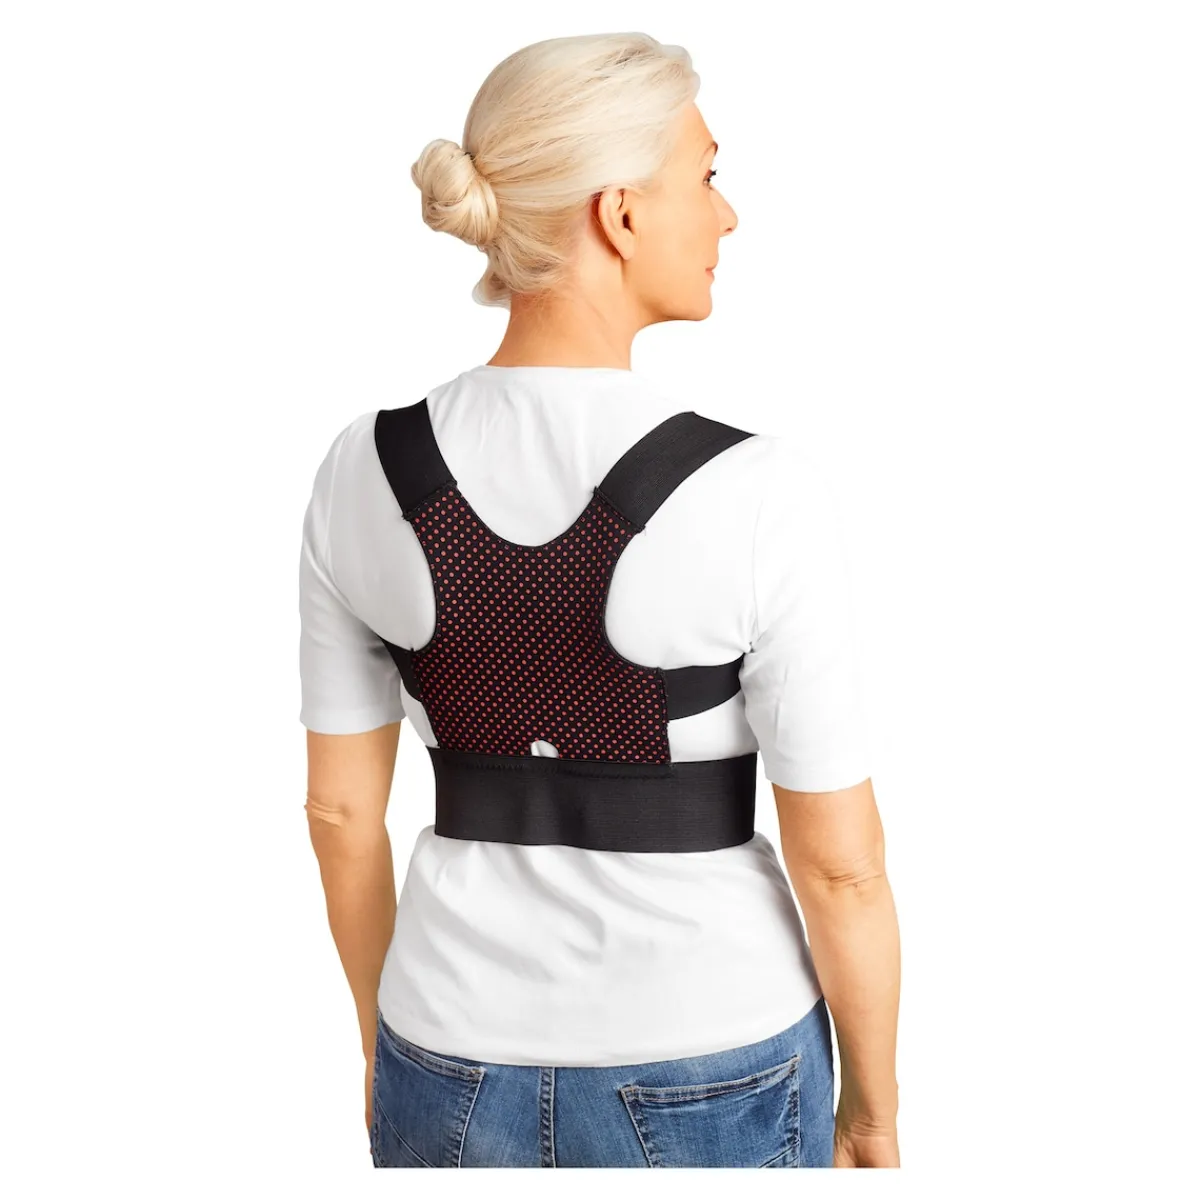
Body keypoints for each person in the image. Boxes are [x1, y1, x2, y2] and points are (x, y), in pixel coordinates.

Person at [298, 30, 901, 1169]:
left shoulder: (359, 470)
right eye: (708, 177)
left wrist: (385, 1037)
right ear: (620, 214)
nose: (728, 216)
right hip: (710, 1052)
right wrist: (872, 1106)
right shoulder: (757, 491)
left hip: (444, 1045)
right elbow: (842, 866)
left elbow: (338, 816)